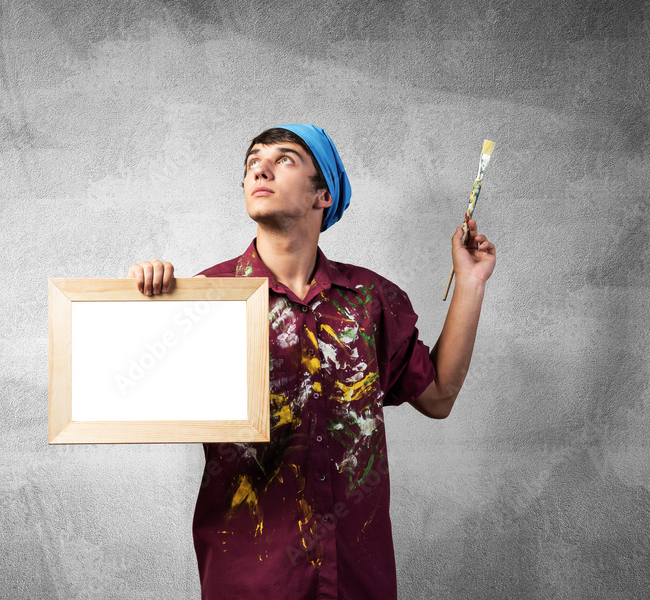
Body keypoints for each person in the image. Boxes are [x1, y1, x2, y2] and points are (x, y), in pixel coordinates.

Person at [126, 124, 496, 599]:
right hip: (250, 580)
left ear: (323, 194)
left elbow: (439, 395)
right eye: (252, 162)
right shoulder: (208, 300)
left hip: (357, 579)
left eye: (284, 159)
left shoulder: (371, 300)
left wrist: (470, 283)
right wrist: (143, 306)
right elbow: (135, 393)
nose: (259, 167)